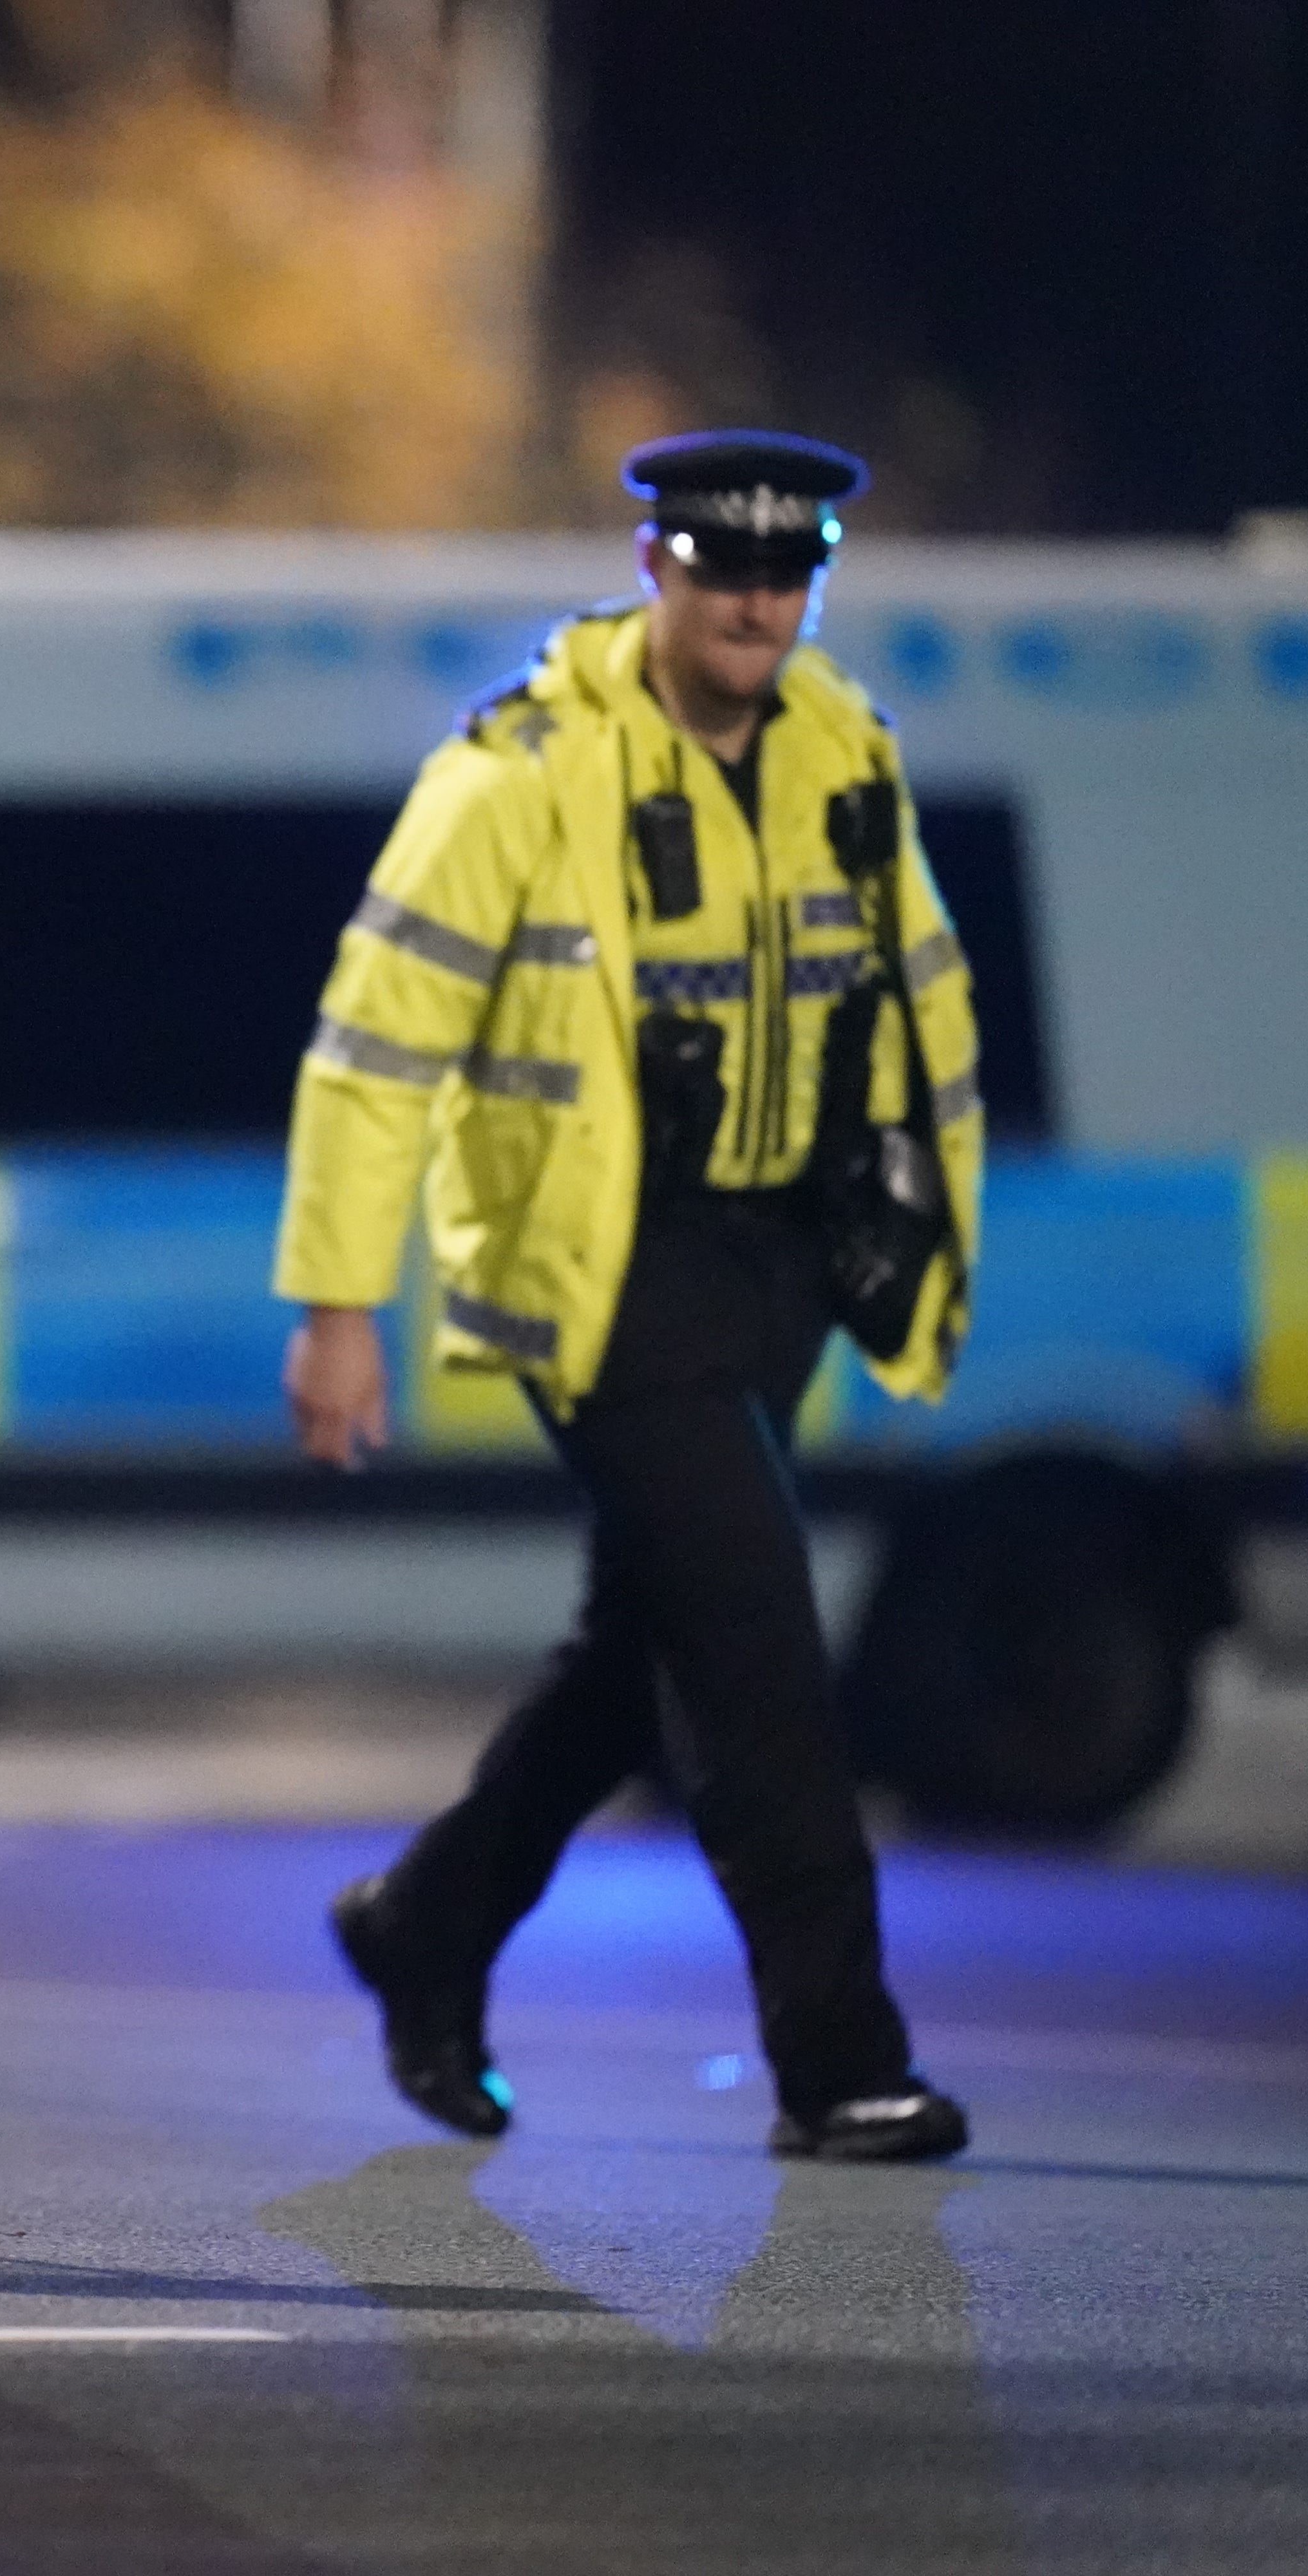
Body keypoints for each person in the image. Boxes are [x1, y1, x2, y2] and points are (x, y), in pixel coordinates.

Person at [274, 430, 985, 2164]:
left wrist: (916, 1223)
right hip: (599, 1268)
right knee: (758, 1646)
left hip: (784, 1263)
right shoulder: (520, 772)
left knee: (650, 1637)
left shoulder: (845, 751)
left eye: (786, 575)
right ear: (656, 567)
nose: (755, 604)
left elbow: (922, 1003)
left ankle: (428, 1922)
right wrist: (339, 1303)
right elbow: (378, 1047)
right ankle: (839, 2062)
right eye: (722, 569)